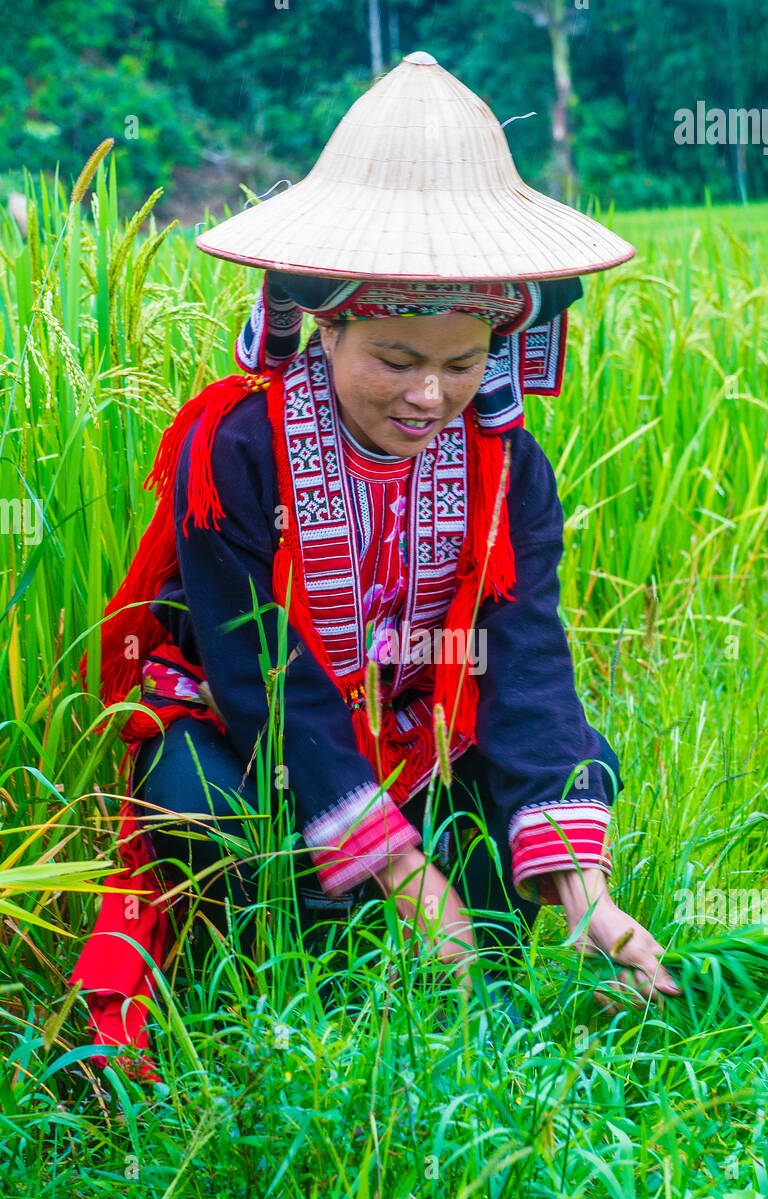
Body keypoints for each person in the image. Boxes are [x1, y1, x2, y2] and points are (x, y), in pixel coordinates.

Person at [71, 52, 681, 1079]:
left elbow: (522, 657)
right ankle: (262, 965)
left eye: (460, 361)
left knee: (574, 764)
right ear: (327, 320)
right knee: (192, 798)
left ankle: (475, 953)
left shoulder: (504, 468)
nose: (429, 395)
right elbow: (262, 671)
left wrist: (589, 895)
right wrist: (405, 871)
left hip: (410, 726)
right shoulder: (238, 449)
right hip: (258, 730)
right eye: (395, 361)